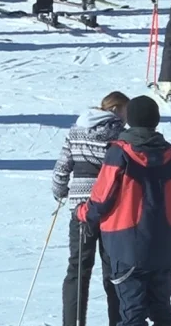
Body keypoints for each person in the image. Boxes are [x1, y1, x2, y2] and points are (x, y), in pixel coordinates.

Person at [76, 95, 171, 326]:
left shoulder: (120, 153)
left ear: (130, 119)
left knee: (132, 313)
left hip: (127, 245)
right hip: (163, 246)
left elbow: (102, 197)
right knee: (161, 309)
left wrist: (83, 213)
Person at [52, 91, 128, 326]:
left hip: (80, 208)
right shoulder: (120, 134)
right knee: (113, 270)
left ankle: (72, 322)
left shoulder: (76, 130)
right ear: (116, 110)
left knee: (78, 268)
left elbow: (62, 167)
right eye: (126, 112)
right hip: (110, 209)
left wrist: (61, 192)